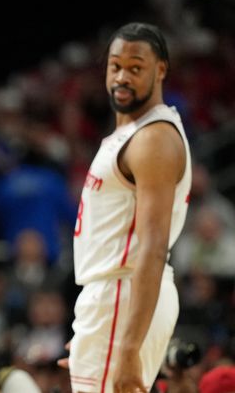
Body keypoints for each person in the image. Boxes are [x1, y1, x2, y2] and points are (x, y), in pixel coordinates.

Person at [64, 22, 192, 393]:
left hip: (124, 294)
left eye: (136, 68)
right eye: (115, 66)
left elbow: (153, 247)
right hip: (109, 302)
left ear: (161, 70)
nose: (122, 76)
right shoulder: (131, 133)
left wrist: (127, 347)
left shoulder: (154, 139)